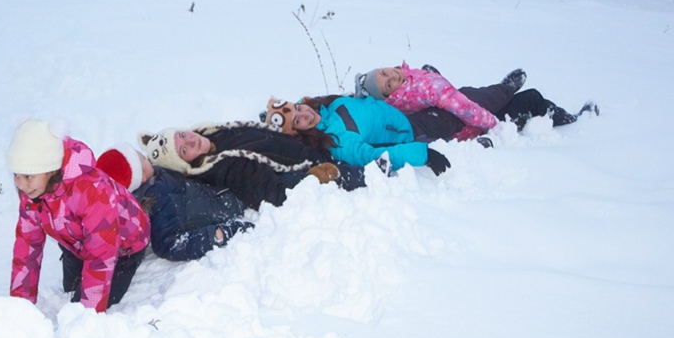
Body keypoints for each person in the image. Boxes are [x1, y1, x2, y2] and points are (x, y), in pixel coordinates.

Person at [6, 119, 150, 313]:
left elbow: (101, 255)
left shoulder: (92, 192)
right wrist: (19, 307)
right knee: (71, 288)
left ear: (50, 169)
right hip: (76, 239)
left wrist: (86, 317)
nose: (21, 185)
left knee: (80, 309)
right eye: (16, 175)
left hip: (122, 247)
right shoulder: (32, 193)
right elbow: (27, 248)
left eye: (28, 176)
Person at [138, 121, 364, 211]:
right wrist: (315, 178)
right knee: (375, 169)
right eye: (184, 150)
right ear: (184, 164)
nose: (190, 140)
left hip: (314, 145)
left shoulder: (215, 133)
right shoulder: (228, 169)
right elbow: (276, 196)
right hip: (326, 165)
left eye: (181, 135)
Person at [356, 63, 598, 140]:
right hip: (472, 121)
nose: (392, 77)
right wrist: (495, 126)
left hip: (460, 109)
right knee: (530, 99)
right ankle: (571, 119)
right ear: (392, 96)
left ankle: (505, 92)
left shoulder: (410, 83)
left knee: (478, 94)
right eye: (388, 84)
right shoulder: (421, 91)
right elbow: (461, 106)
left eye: (385, 72)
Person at [97, 143, 253, 262]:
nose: (147, 157)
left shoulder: (153, 179)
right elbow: (171, 244)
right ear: (141, 177)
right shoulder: (156, 199)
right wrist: (221, 233)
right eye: (143, 158)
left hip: (214, 194)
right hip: (223, 208)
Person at [263, 96, 451, 176]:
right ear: (297, 132)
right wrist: (422, 155)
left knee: (464, 95)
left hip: (405, 116)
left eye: (298, 108)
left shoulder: (323, 105)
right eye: (297, 121)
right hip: (414, 132)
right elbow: (372, 157)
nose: (304, 113)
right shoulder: (336, 141)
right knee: (465, 108)